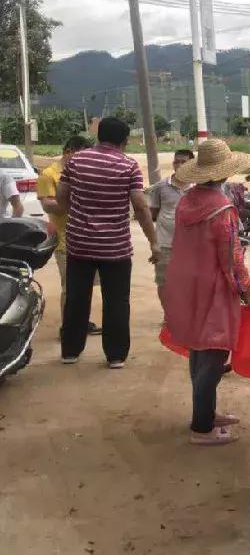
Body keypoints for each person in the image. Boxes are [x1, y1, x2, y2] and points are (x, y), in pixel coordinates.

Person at [163, 139, 250, 445]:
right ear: (224, 172)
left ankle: (204, 412)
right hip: (213, 287)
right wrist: (248, 292)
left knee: (198, 349)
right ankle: (202, 427)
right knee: (213, 355)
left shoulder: (187, 200)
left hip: (186, 283)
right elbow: (232, 258)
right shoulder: (222, 209)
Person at [57, 118, 160, 368]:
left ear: (99, 136)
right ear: (124, 141)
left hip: (79, 245)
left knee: (76, 298)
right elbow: (140, 206)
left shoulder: (76, 160)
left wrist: (80, 215)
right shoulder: (129, 166)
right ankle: (115, 356)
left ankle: (70, 351)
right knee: (116, 301)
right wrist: (153, 241)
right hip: (115, 248)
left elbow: (61, 197)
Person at [37, 135, 101, 338]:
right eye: (82, 154)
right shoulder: (49, 174)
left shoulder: (83, 173)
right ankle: (68, 328)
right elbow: (47, 204)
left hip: (88, 239)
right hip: (66, 241)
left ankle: (81, 322)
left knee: (86, 286)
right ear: (69, 151)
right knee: (70, 288)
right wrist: (74, 202)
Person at [149, 149, 194, 315]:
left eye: (184, 161)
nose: (179, 165)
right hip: (165, 243)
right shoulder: (161, 187)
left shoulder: (199, 188)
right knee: (164, 283)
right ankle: (170, 316)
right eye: (177, 161)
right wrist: (154, 243)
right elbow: (153, 213)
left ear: (192, 163)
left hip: (191, 246)